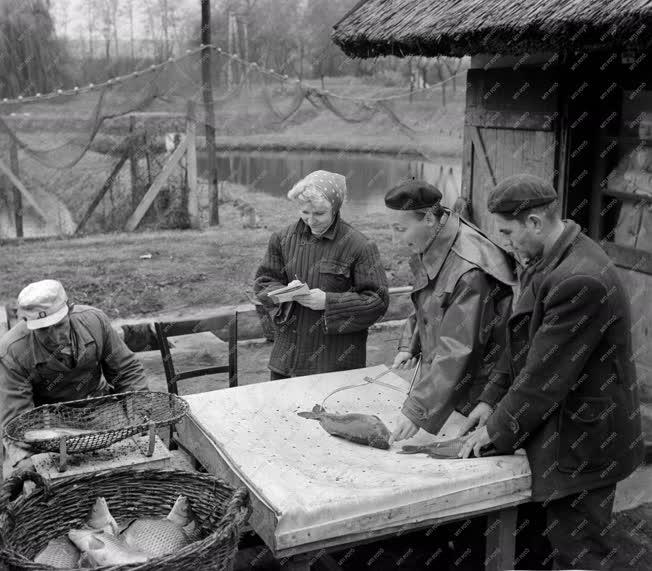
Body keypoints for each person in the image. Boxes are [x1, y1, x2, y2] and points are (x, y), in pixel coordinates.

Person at [459, 174, 644, 569]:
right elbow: (521, 345)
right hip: (564, 427)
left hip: (587, 437)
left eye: (509, 232)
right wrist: (489, 399)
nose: (506, 242)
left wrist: (495, 432)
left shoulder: (579, 279)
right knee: (548, 539)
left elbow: (544, 378)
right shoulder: (544, 257)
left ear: (535, 222)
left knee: (578, 549)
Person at [385, 180, 517, 441]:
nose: (393, 239)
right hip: (450, 385)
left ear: (430, 220)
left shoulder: (468, 271)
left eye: (400, 229)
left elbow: (457, 348)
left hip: (476, 390)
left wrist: (417, 410)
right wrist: (410, 344)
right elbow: (430, 299)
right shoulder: (436, 239)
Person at [0, 280, 149, 478]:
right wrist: (26, 460)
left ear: (70, 310)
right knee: (26, 476)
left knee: (135, 464)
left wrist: (139, 416)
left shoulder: (95, 321)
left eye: (59, 325)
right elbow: (18, 419)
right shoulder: (12, 352)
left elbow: (127, 370)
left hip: (99, 407)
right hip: (47, 421)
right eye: (44, 329)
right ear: (28, 324)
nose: (54, 337)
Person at [254, 170, 389, 379]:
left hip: (335, 362)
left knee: (332, 412)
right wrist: (284, 293)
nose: (310, 220)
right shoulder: (282, 238)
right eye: (304, 212)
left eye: (319, 214)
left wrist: (329, 301)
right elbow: (264, 282)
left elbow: (377, 301)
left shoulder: (360, 246)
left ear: (335, 208)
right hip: (286, 360)